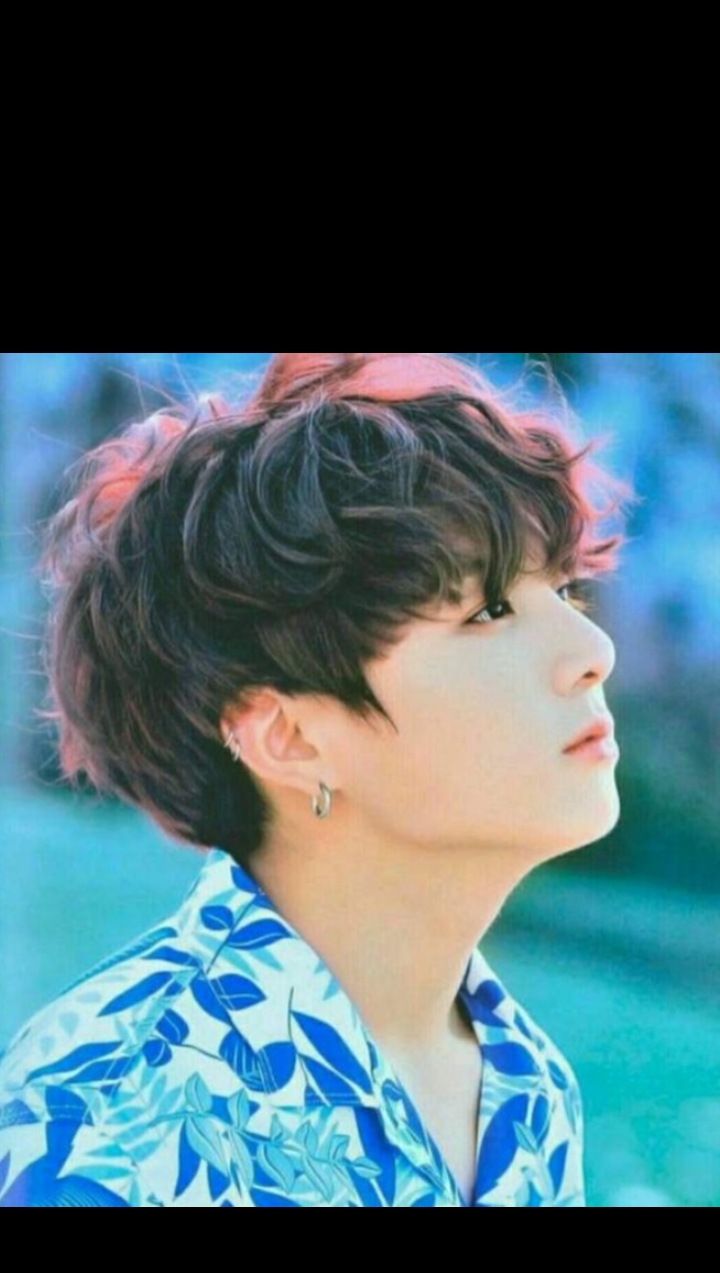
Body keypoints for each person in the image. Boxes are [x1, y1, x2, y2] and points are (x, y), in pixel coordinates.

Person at [0, 352, 632, 1208]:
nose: (593, 652)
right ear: (288, 737)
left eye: (566, 591)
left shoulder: (530, 1092)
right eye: (487, 611)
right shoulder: (107, 1127)